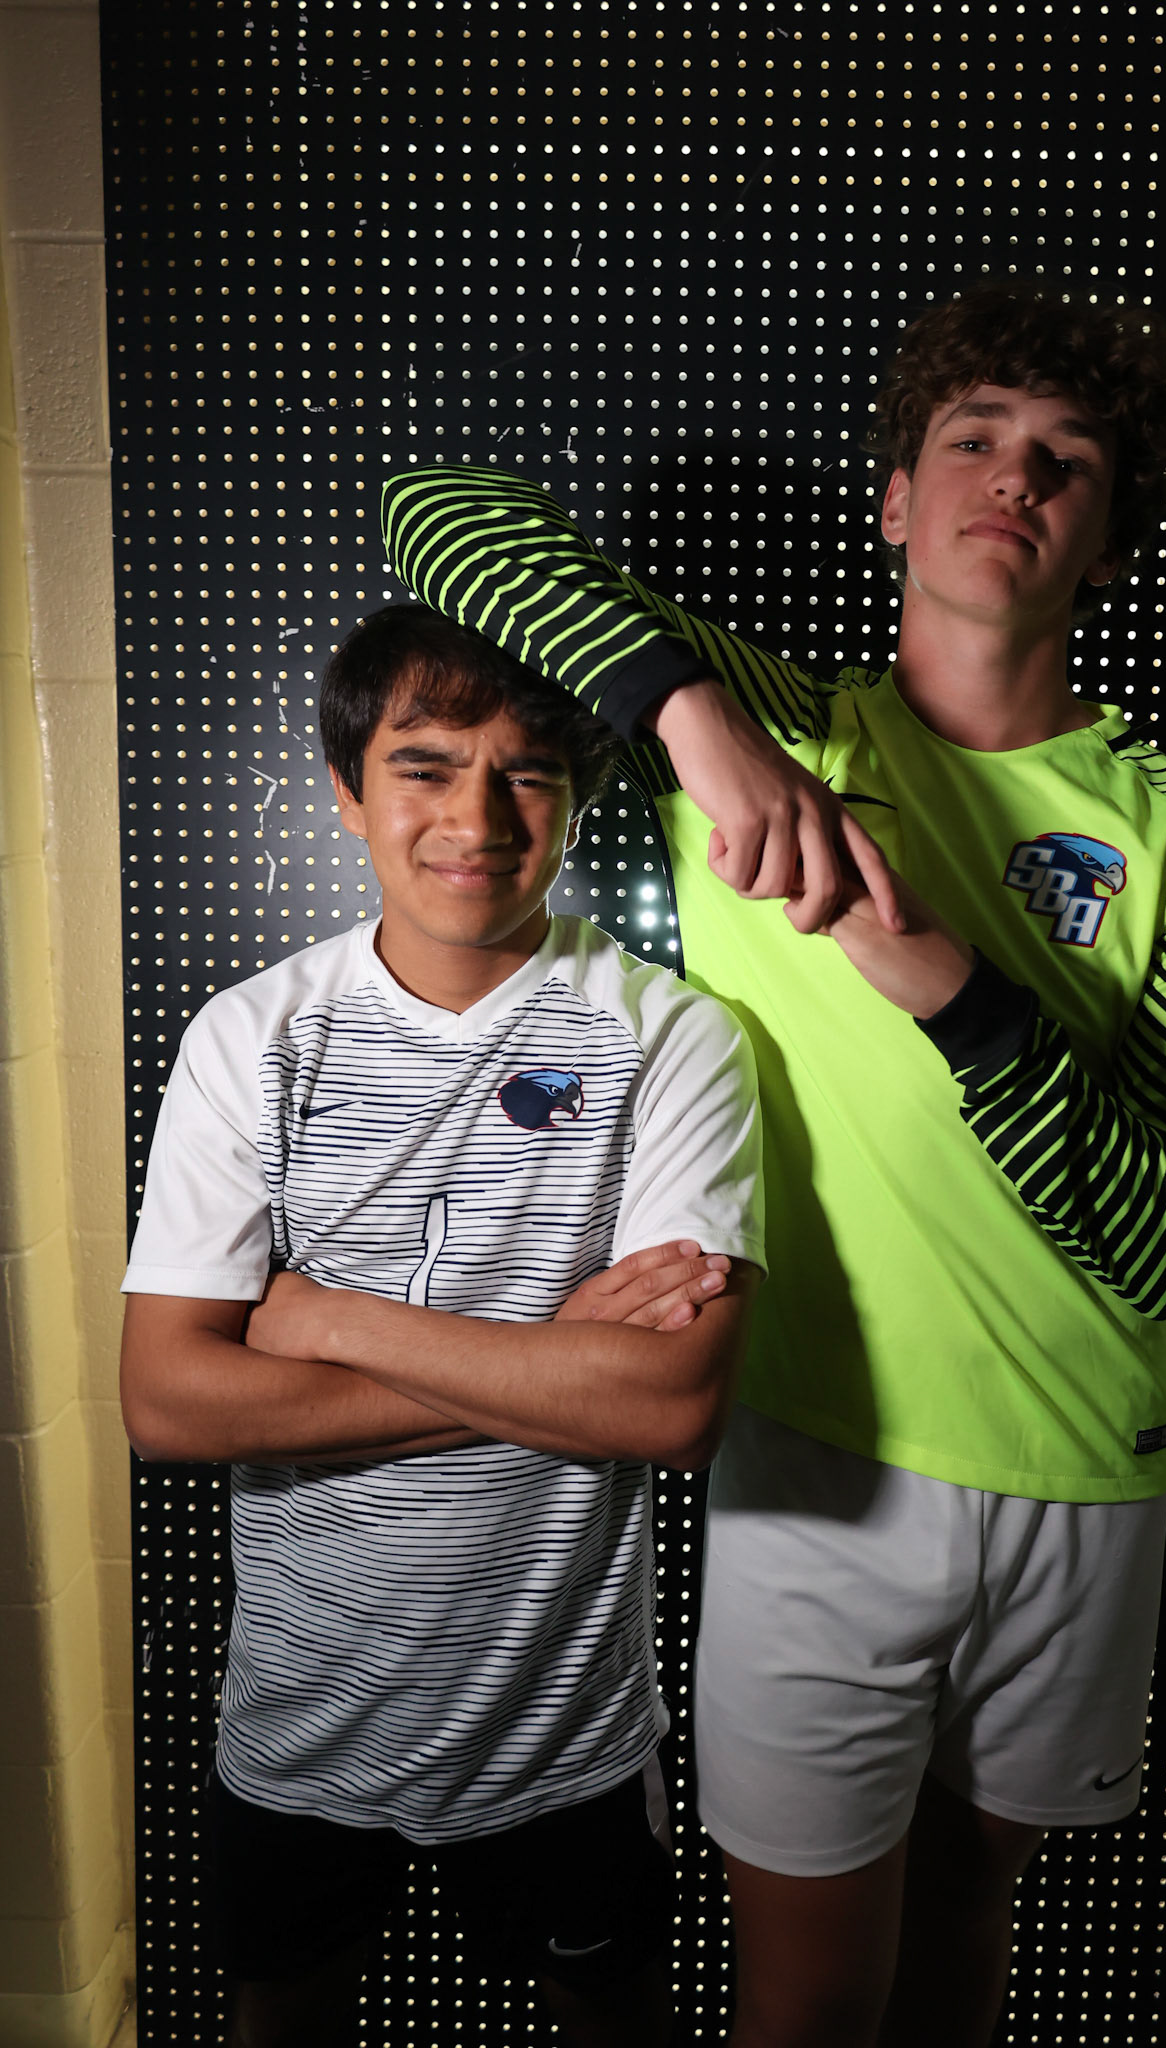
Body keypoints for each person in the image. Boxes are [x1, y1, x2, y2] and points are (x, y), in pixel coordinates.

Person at [379, 277, 1166, 2048]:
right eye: (971, 440)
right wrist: (686, 718)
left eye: (1063, 462)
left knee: (966, 1929)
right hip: (816, 1476)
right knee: (800, 2008)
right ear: (893, 500)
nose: (1011, 478)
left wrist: (942, 979)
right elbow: (438, 510)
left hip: (1081, 1477)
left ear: (1101, 540)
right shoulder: (769, 728)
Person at [119, 606, 765, 2048]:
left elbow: (668, 1410)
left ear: (580, 797)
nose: (477, 815)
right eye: (424, 766)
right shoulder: (250, 1036)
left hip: (565, 1736)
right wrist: (555, 1366)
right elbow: (168, 1402)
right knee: (282, 2018)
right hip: (297, 1720)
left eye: (527, 771)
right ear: (347, 796)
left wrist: (316, 1317)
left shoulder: (674, 1035)